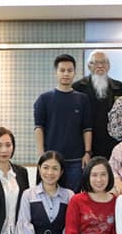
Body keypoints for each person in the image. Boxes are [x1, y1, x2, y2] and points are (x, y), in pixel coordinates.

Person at [34, 54, 93, 193]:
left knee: (73, 198)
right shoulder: (44, 99)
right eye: (62, 70)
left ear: (74, 72)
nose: (66, 74)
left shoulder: (82, 99)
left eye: (70, 70)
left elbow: (87, 129)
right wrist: (41, 154)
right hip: (51, 160)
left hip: (76, 161)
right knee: (48, 196)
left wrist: (87, 152)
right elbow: (38, 128)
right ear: (56, 72)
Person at [72, 50, 122, 158]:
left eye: (103, 62)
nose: (100, 66)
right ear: (89, 66)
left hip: (113, 145)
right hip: (86, 146)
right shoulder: (78, 88)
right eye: (96, 62)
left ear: (109, 66)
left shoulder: (119, 88)